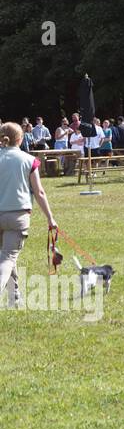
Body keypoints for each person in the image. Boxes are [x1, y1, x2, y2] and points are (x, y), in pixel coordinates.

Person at [0, 121, 57, 308]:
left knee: (7, 256)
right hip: (18, 216)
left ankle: (14, 299)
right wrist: (50, 218)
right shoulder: (29, 159)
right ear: (21, 139)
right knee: (8, 257)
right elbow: (39, 192)